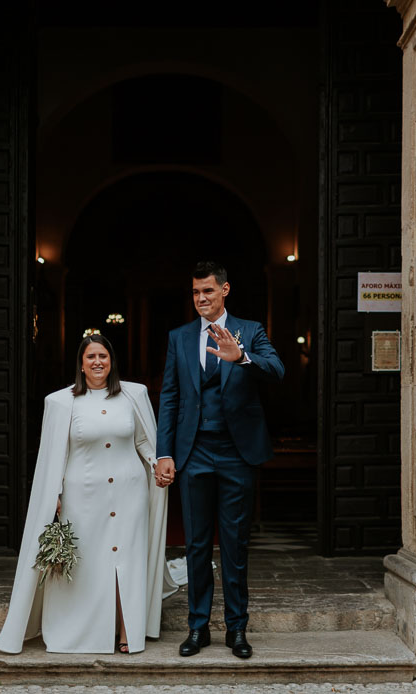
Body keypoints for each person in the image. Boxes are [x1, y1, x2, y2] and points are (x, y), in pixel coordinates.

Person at [0, 334, 172, 654]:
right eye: (91, 357)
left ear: (111, 361)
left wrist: (156, 463)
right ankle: (83, 632)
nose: (98, 362)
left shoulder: (134, 395)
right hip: (83, 496)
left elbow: (145, 441)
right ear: (81, 364)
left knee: (126, 561)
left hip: (130, 493)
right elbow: (54, 456)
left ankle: (125, 629)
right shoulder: (61, 402)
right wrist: (56, 493)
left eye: (103, 356)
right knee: (88, 564)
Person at [153, 261, 284, 659]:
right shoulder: (179, 337)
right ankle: (197, 629)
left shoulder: (250, 330)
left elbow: (276, 369)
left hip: (236, 454)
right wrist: (164, 452)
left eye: (208, 291)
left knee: (234, 544)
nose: (201, 299)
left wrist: (241, 356)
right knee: (195, 545)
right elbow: (170, 397)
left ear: (225, 289)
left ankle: (236, 630)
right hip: (194, 454)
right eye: (195, 292)